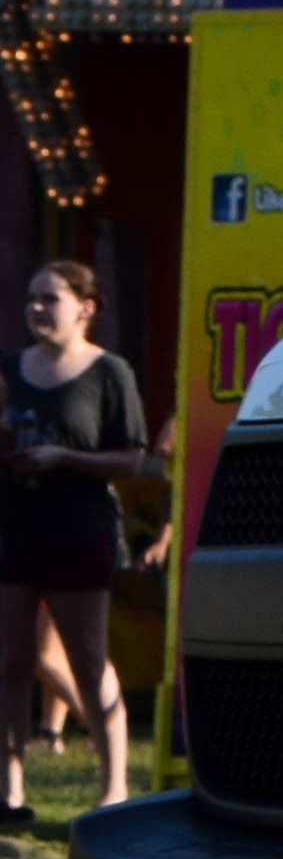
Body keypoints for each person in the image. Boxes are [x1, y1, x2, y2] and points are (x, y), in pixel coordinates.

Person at [5, 261, 160, 815]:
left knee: (87, 661)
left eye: (50, 299)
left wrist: (64, 456)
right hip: (13, 526)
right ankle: (10, 789)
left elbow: (135, 460)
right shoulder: (10, 369)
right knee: (11, 659)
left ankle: (113, 787)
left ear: (85, 308)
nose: (36, 309)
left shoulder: (107, 372)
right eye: (31, 298)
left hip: (79, 526)